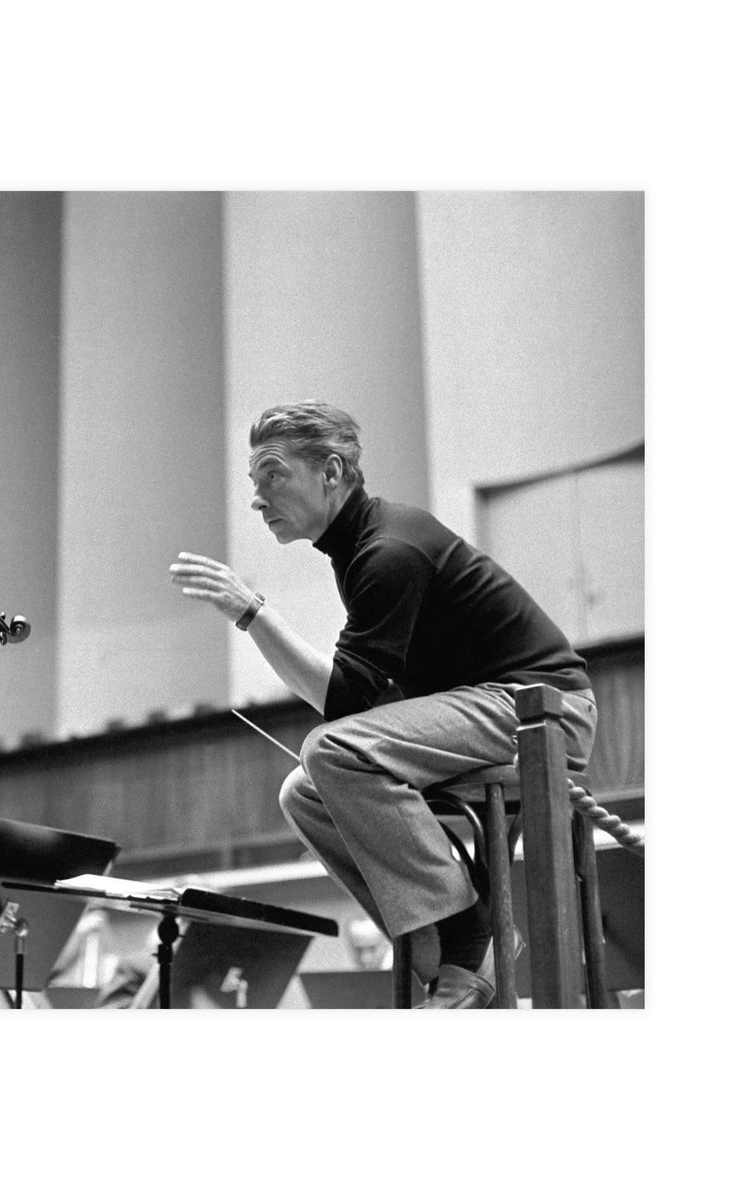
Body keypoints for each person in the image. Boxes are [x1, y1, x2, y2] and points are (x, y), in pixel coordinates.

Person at [170, 402, 597, 1008]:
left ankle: (468, 943)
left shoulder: (388, 551)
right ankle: (442, 960)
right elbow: (355, 697)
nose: (257, 499)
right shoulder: (359, 551)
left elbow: (343, 707)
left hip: (541, 710)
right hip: (484, 708)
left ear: (332, 471)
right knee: (303, 792)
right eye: (254, 483)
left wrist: (252, 613)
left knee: (330, 749)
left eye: (272, 475)